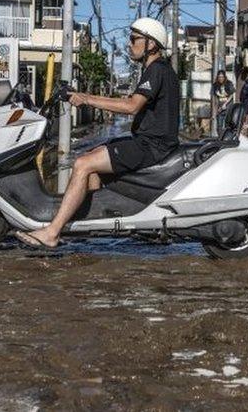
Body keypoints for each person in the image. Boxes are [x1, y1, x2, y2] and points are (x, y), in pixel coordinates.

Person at [14, 17, 179, 249]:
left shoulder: (156, 70)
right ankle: (85, 227)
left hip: (152, 147)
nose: (130, 44)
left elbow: (131, 106)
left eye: (134, 39)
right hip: (148, 142)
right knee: (93, 161)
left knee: (83, 164)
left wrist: (87, 98)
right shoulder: (157, 70)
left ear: (151, 44)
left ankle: (51, 232)